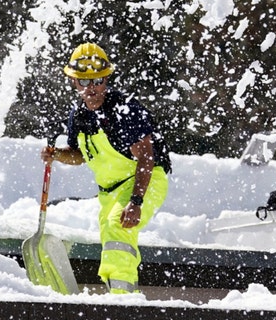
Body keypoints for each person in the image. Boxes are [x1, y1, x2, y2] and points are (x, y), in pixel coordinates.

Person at [40, 43, 171, 294]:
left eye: (98, 81)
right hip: (109, 192)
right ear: (73, 82)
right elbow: (80, 155)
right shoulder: (78, 115)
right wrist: (56, 155)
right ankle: (121, 295)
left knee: (118, 225)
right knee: (113, 244)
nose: (91, 89)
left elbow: (146, 158)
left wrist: (136, 201)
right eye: (83, 82)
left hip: (143, 180)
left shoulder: (124, 110)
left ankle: (122, 303)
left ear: (107, 79)